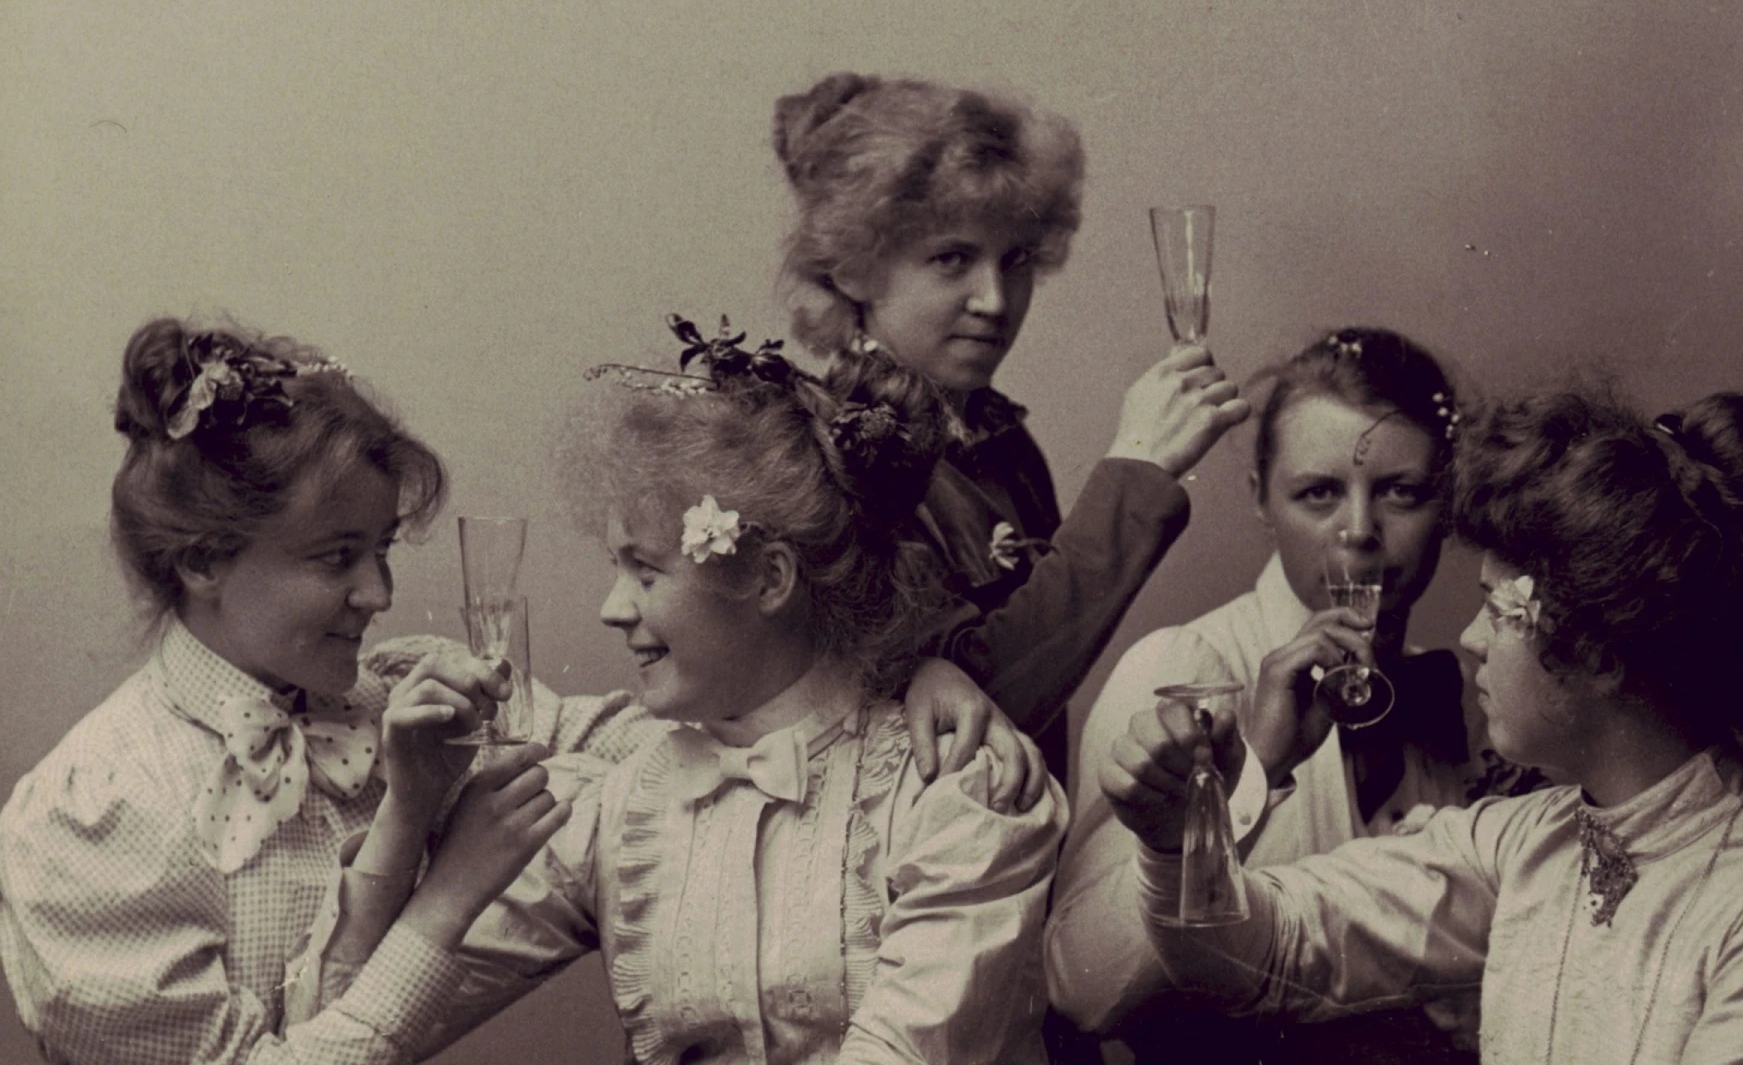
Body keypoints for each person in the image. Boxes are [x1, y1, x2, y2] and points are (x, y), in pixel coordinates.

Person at [291, 321, 1069, 1062]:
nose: (612, 608)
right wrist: (404, 818)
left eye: (646, 570)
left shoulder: (954, 796)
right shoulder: (623, 806)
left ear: (769, 578)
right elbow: (344, 1035)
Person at [1098, 385, 1743, 1061]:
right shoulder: (1519, 844)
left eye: (1498, 609)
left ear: (1601, 652)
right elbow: (1254, 953)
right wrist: (1180, 835)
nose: (1470, 638)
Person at [0, 319, 597, 1064]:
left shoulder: (396, 703)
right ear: (203, 561)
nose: (379, 595)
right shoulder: (98, 813)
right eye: (336, 557)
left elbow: (623, 746)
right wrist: (445, 898)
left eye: (381, 549)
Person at [1047, 327, 1545, 1061]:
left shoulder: (1473, 698)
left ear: (1449, 504)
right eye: (1319, 493)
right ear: (1260, 498)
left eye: (1402, 492)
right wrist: (1253, 766)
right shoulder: (1185, 668)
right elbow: (1080, 989)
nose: (1358, 533)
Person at [772, 72, 1251, 777]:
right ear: (852, 269)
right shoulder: (837, 452)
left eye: (1016, 259)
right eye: (952, 259)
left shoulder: (1003, 443)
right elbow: (977, 716)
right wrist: (1138, 473)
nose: (995, 301)